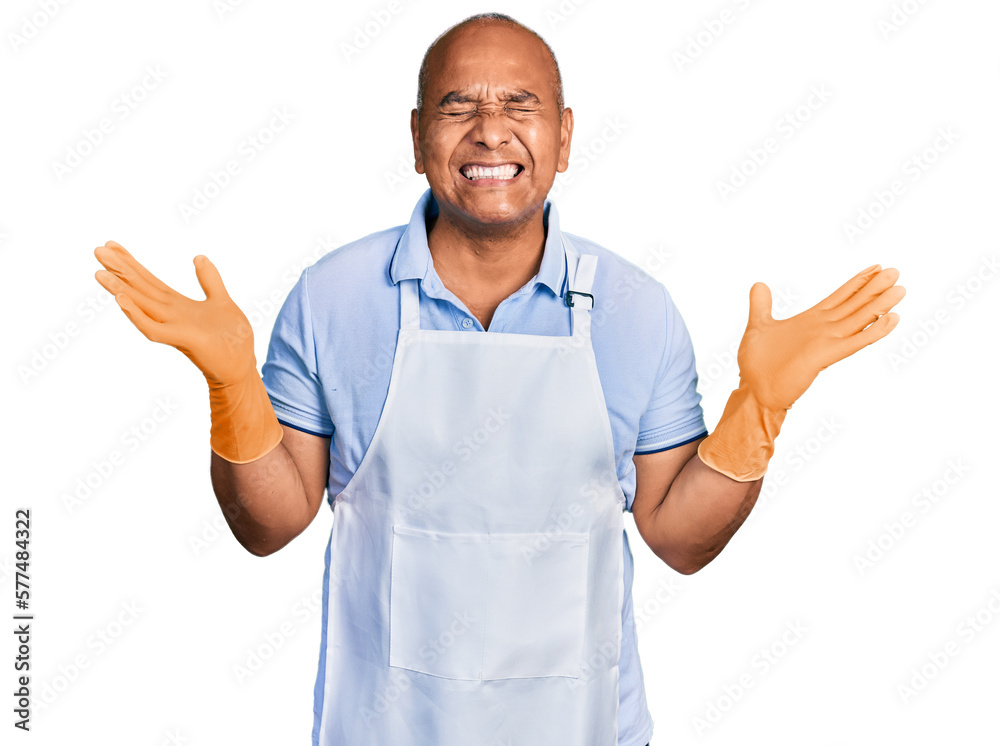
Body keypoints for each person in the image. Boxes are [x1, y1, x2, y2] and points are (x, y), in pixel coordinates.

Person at [93, 12, 905, 746]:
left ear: (564, 136)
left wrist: (757, 411)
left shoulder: (636, 311)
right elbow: (269, 526)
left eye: (521, 106)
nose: (490, 132)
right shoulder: (333, 299)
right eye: (458, 108)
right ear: (417, 138)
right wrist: (233, 387)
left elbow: (680, 540)